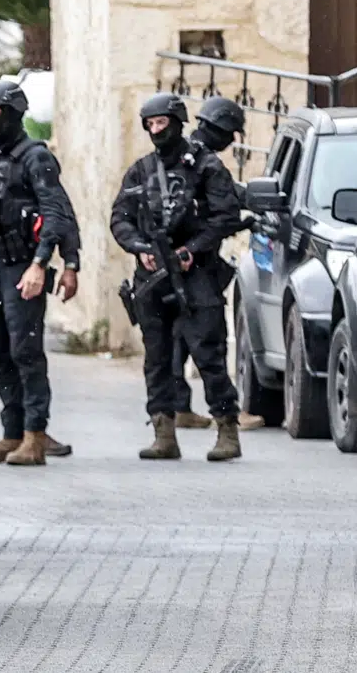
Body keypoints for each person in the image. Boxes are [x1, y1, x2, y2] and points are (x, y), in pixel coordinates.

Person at [110, 92, 245, 462]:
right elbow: (119, 218)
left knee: (208, 352)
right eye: (150, 125)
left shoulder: (206, 167)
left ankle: (226, 429)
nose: (156, 131)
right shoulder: (140, 170)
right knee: (157, 357)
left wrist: (192, 250)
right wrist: (140, 248)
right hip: (152, 276)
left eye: (161, 124)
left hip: (196, 272)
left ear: (178, 123)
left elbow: (226, 217)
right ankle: (163, 432)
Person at [0, 80, 80, 467]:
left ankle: (35, 434)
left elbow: (56, 212)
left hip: (21, 266)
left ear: (12, 114)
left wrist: (43, 264)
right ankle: (11, 433)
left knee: (26, 351)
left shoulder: (36, 158)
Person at [172, 95, 265, 431]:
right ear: (220, 129)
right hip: (197, 262)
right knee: (210, 337)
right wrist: (246, 222)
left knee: (177, 337)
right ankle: (227, 411)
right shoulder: (205, 161)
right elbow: (222, 214)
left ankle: (178, 407)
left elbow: (229, 194)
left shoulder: (179, 155)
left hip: (173, 261)